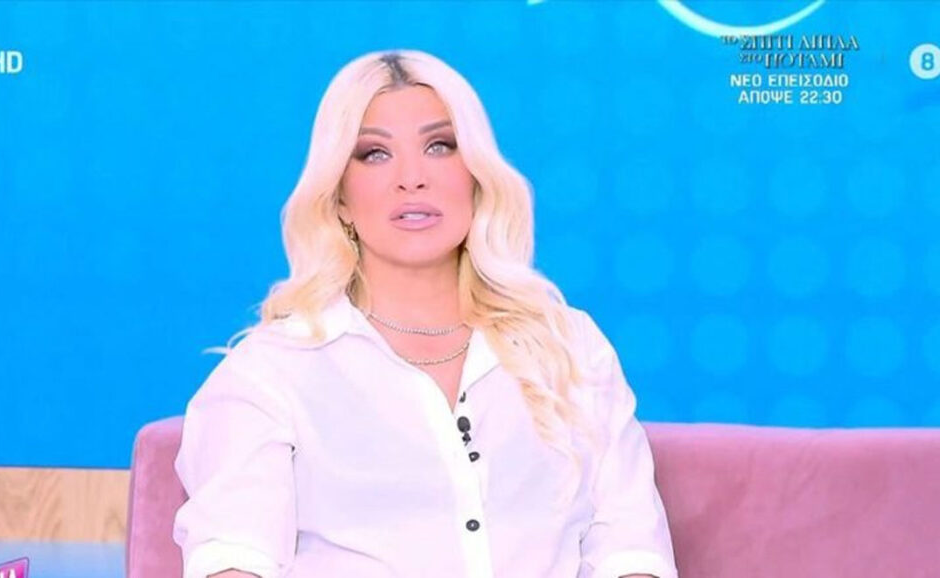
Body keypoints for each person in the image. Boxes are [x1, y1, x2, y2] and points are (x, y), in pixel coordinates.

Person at [172, 49, 677, 578]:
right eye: (374, 154)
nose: (412, 178)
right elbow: (234, 558)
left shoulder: (568, 347)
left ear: (477, 175)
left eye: (440, 146)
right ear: (338, 197)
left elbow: (630, 547)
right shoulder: (272, 372)